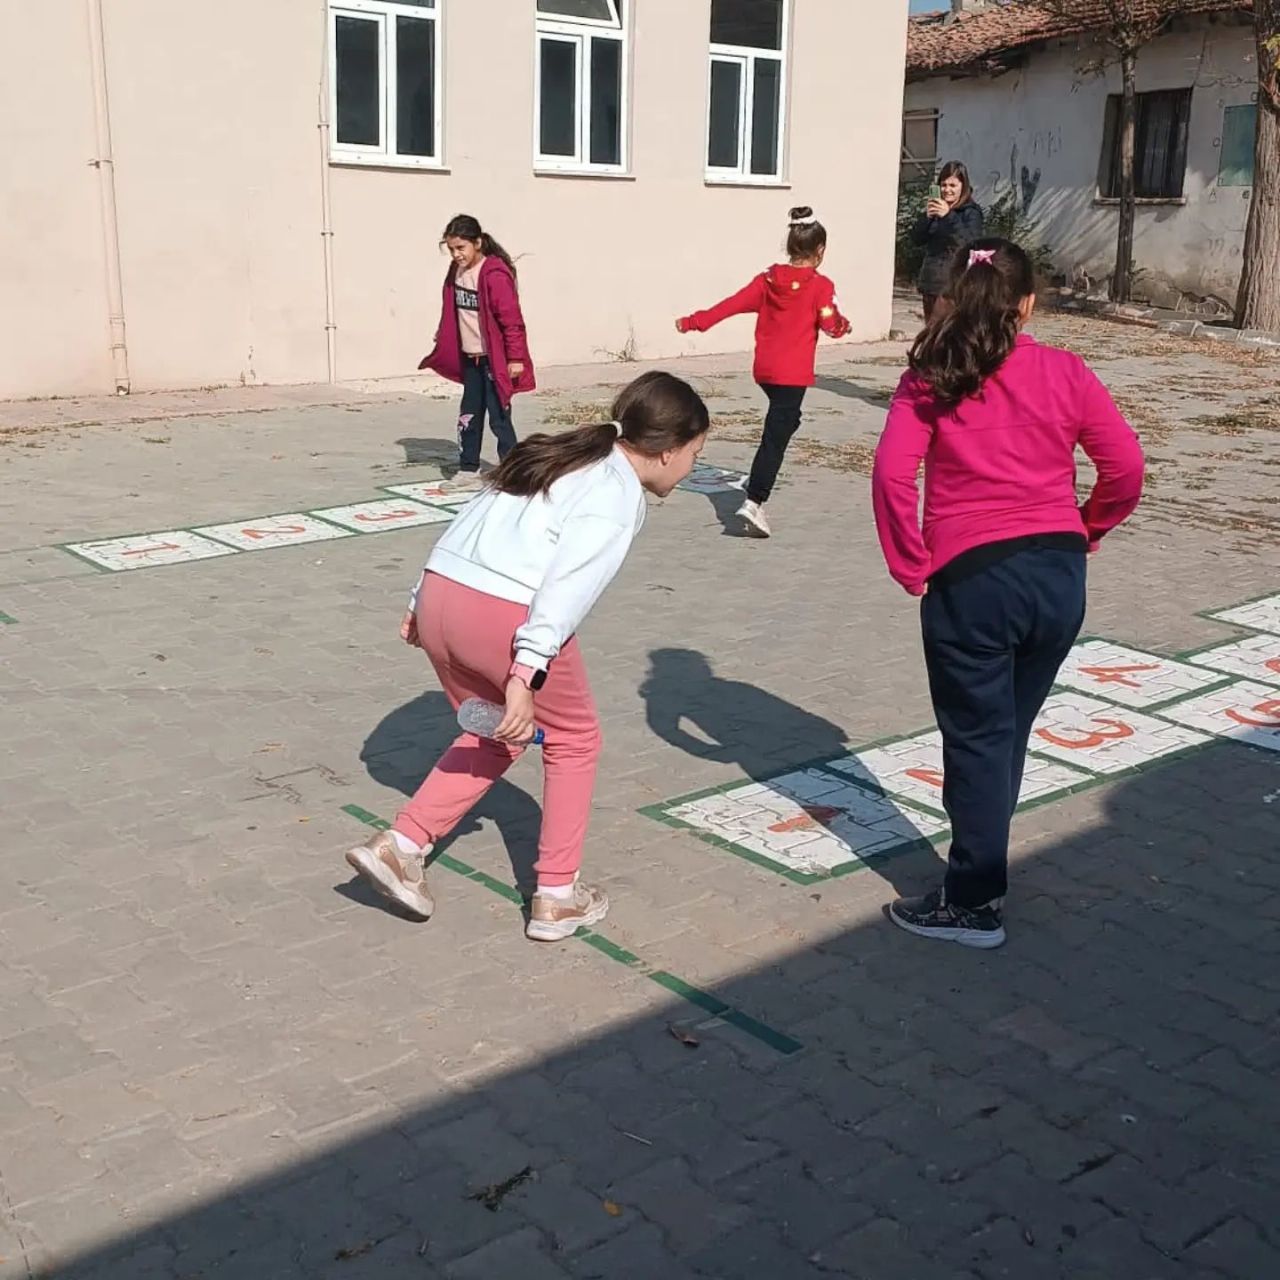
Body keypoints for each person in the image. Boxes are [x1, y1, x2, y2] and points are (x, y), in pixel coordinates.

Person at [346, 371, 711, 941]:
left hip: (445, 592)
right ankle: (558, 897)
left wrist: (421, 600)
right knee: (574, 738)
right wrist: (525, 673)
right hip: (502, 611)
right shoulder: (615, 492)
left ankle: (401, 846)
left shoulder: (559, 451)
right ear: (667, 451)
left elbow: (471, 519)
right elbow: (567, 589)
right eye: (696, 453)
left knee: (499, 732)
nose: (691, 468)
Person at [871, 238, 1144, 949]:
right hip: (1056, 577)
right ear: (1027, 303)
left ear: (954, 298)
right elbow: (1126, 467)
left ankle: (971, 901)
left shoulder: (932, 374)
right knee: (1004, 731)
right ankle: (982, 861)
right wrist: (1084, 531)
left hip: (975, 582)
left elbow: (892, 475)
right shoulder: (1067, 371)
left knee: (979, 740)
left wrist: (912, 563)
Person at [675, 206, 851, 538]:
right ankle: (754, 500)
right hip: (792, 375)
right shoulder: (820, 286)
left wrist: (694, 321)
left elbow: (730, 304)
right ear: (820, 251)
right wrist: (843, 325)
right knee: (775, 440)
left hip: (765, 372)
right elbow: (830, 322)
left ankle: (782, 434)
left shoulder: (767, 280)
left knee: (786, 418)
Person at [417, 214, 535, 492]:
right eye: (451, 249)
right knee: (468, 416)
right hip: (471, 359)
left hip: (495, 361)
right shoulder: (455, 272)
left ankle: (513, 470)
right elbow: (452, 309)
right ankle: (468, 469)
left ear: (478, 243)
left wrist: (515, 358)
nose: (456, 255)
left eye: (461, 248)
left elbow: (512, 320)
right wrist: (443, 334)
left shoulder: (494, 274)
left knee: (499, 417)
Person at [913, 162, 984, 323]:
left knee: (950, 334)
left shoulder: (970, 212)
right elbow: (917, 240)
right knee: (932, 334)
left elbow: (969, 243)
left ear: (963, 186)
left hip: (955, 286)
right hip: (931, 283)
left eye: (953, 185)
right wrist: (927, 218)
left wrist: (948, 216)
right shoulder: (936, 210)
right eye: (943, 185)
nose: (947, 190)